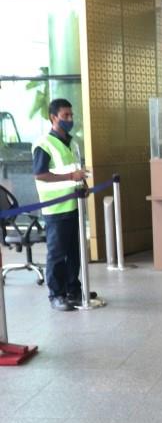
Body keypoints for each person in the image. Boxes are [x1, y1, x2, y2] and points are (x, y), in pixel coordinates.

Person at [32, 98, 88, 311]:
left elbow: (75, 169)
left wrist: (82, 184)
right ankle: (56, 295)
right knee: (57, 254)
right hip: (56, 209)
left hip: (74, 205)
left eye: (71, 115)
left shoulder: (72, 143)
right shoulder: (44, 144)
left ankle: (73, 290)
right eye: (65, 115)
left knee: (74, 252)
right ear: (53, 118)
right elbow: (41, 174)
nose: (70, 119)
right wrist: (71, 176)